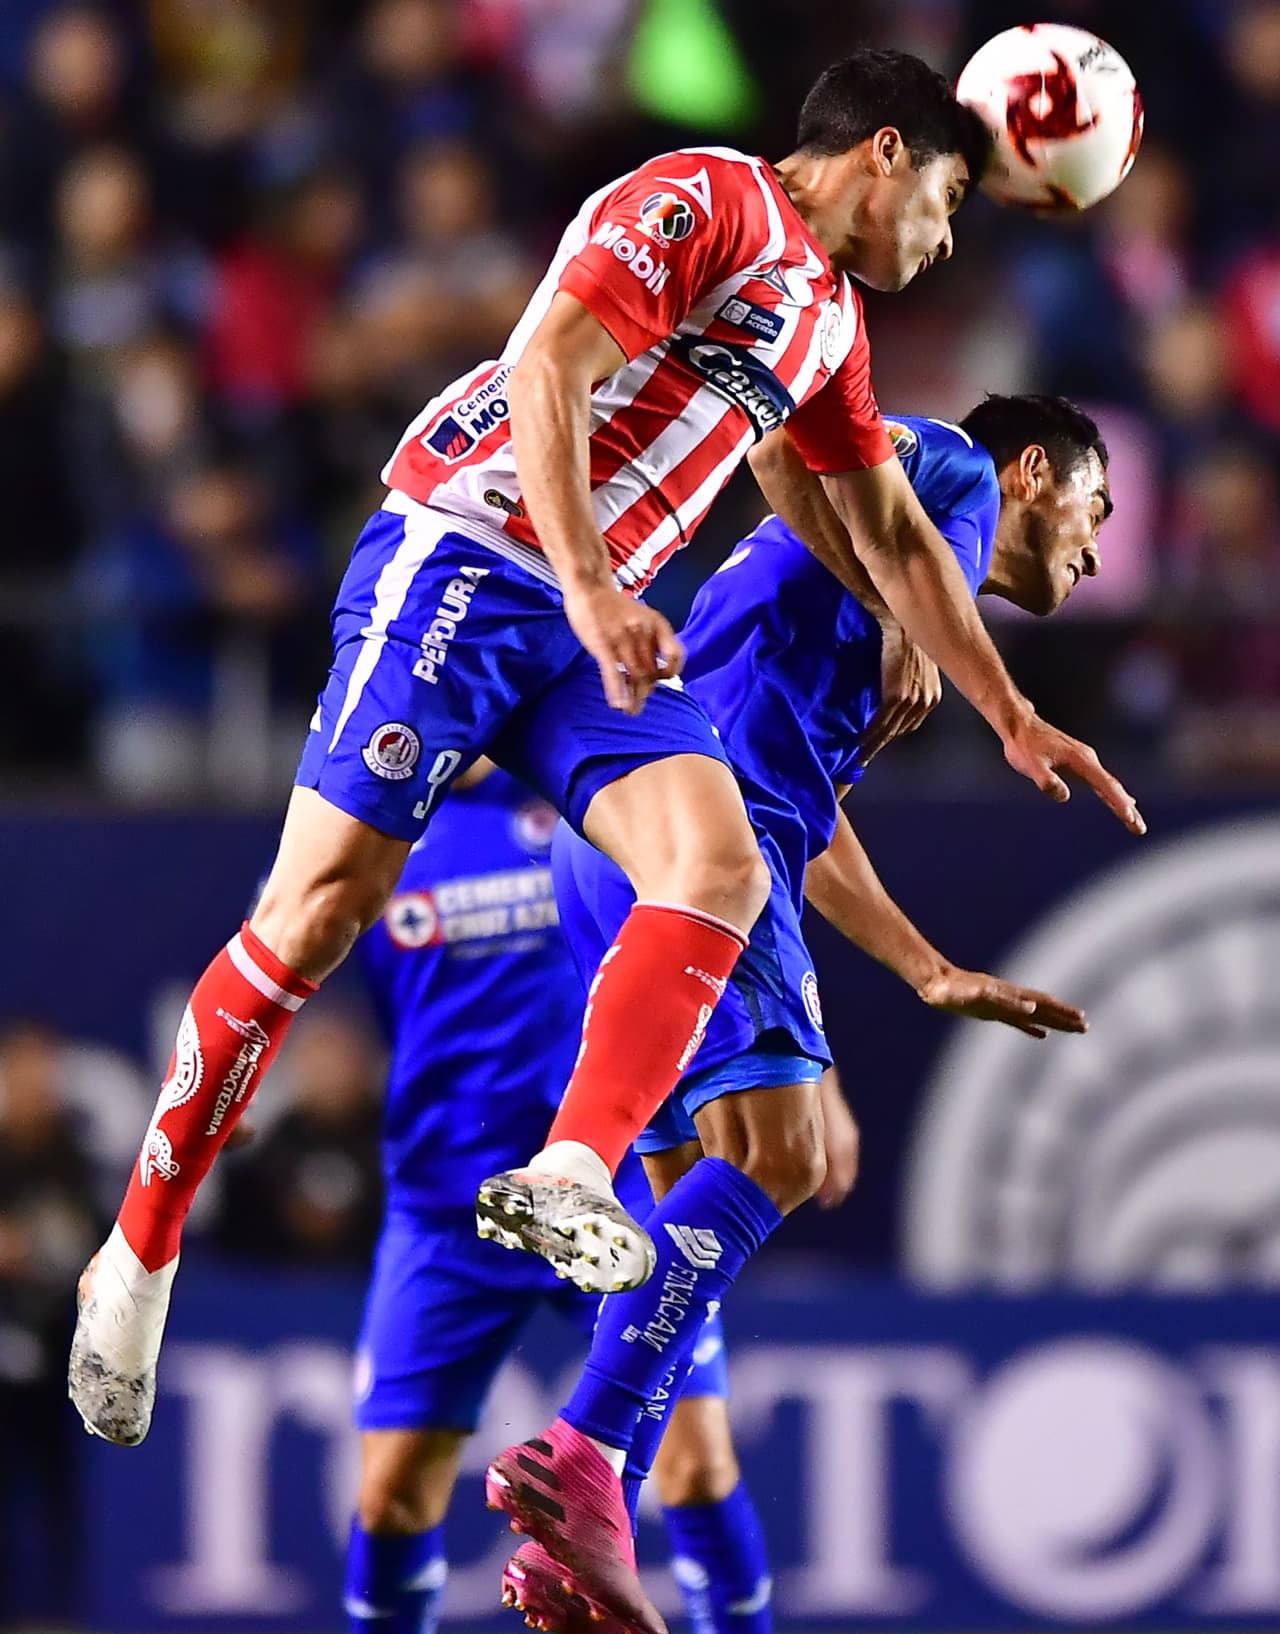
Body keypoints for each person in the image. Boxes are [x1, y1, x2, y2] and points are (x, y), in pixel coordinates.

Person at [71, 51, 1141, 1453]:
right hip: (471, 552)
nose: (948, 237)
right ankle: (139, 1252)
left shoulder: (826, 329)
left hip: (596, 618)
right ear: (883, 153)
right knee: (316, 917)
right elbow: (544, 364)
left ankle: (573, 1165)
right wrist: (585, 584)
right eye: (945, 199)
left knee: (718, 863)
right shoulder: (702, 199)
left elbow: (882, 530)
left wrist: (1008, 711)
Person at [488, 393, 1114, 1634]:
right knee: (786, 1151)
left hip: (632, 840)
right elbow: (779, 437)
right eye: (1097, 510)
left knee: (680, 1214)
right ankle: (584, 1450)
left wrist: (923, 965)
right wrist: (896, 605)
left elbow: (807, 808)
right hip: (701, 843)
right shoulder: (942, 466)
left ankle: (581, 1542)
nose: (1101, 550)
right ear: (1038, 470)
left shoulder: (891, 588)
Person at [304, 762, 852, 1634]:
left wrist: (808, 1067)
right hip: (444, 1210)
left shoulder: (620, 786)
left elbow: (753, 895)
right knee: (391, 1495)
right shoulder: (386, 811)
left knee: (696, 1474)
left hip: (613, 1196)